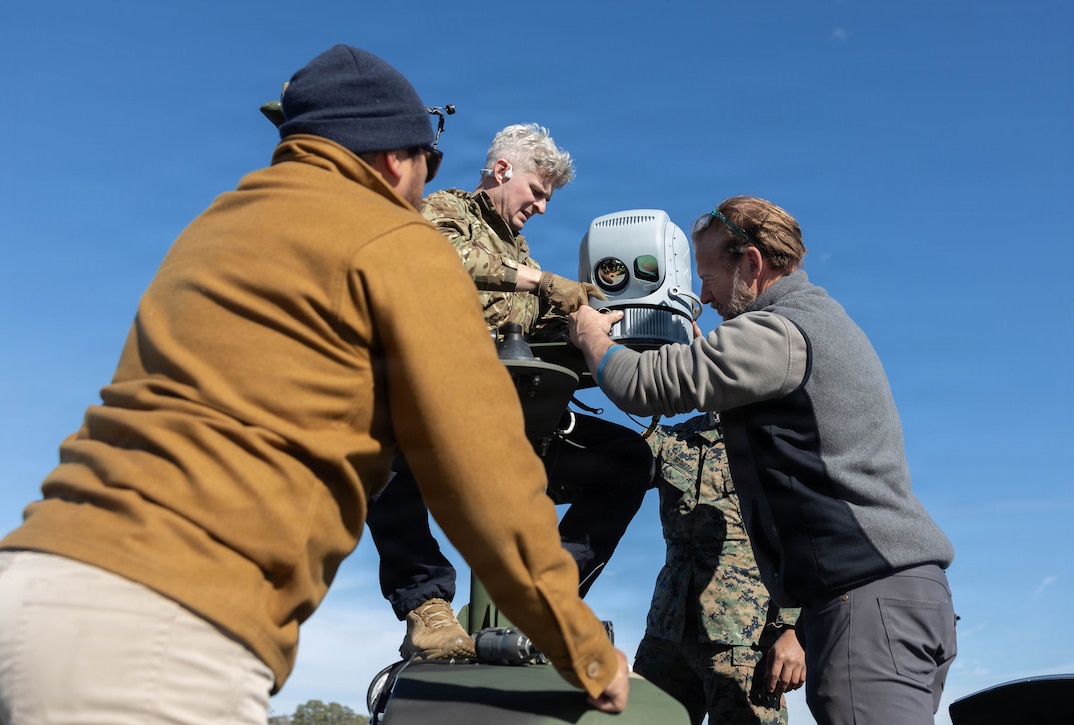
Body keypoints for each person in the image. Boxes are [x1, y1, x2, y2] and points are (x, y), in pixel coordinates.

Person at [0, 45, 629, 723]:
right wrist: (585, 648)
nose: (422, 193)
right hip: (165, 626)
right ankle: (428, 603)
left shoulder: (217, 224)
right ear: (394, 158)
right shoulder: (401, 237)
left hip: (37, 571)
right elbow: (486, 469)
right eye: (426, 167)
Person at [567, 195, 957, 725]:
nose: (701, 296)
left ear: (751, 263)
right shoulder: (813, 323)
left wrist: (592, 335)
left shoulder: (782, 329)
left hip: (866, 599)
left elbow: (646, 385)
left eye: (707, 277)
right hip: (874, 599)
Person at [366, 123, 654, 661]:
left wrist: (591, 320)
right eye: (538, 192)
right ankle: (426, 608)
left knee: (628, 460)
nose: (543, 208)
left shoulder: (516, 250)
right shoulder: (442, 211)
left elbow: (529, 326)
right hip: (432, 406)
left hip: (512, 421)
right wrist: (543, 282)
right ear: (503, 171)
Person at [633, 411, 805, 725]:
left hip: (745, 639)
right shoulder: (672, 440)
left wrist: (795, 632)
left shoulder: (779, 440)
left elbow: (806, 539)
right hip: (667, 633)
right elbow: (615, 460)